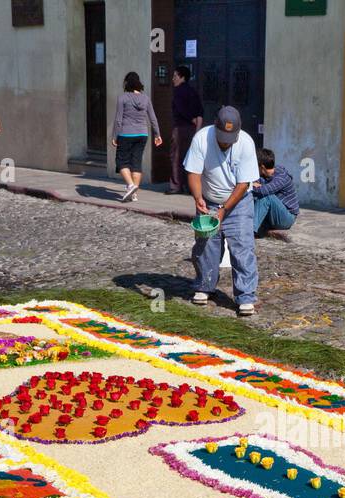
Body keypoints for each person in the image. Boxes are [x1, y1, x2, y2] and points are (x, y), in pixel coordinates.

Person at [184, 105, 260, 316]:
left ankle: (245, 296)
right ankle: (204, 286)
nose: (225, 142)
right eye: (222, 137)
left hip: (239, 202)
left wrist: (225, 210)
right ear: (215, 128)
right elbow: (193, 172)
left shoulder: (245, 143)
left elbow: (244, 183)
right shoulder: (202, 139)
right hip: (208, 199)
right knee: (206, 244)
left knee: (242, 246)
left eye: (230, 138)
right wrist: (198, 198)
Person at [111, 71, 162, 202]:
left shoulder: (122, 98)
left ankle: (131, 185)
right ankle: (134, 194)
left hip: (126, 133)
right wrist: (157, 134)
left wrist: (115, 136)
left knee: (121, 161)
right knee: (136, 162)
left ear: (126, 83)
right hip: (142, 134)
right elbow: (153, 118)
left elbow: (118, 120)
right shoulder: (146, 98)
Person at [168, 66, 203, 195]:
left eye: (175, 76)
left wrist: (190, 119)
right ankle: (190, 186)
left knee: (176, 156)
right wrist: (197, 126)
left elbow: (181, 109)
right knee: (190, 158)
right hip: (192, 129)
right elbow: (200, 111)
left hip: (180, 127)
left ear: (182, 77)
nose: (173, 79)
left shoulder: (178, 91)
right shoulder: (193, 91)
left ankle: (176, 186)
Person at [250, 148, 299, 235]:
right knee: (250, 197)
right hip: (274, 214)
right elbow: (256, 183)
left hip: (287, 218)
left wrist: (249, 186)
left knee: (266, 197)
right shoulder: (265, 175)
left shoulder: (281, 177)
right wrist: (253, 185)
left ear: (262, 167)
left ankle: (250, 232)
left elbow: (262, 191)